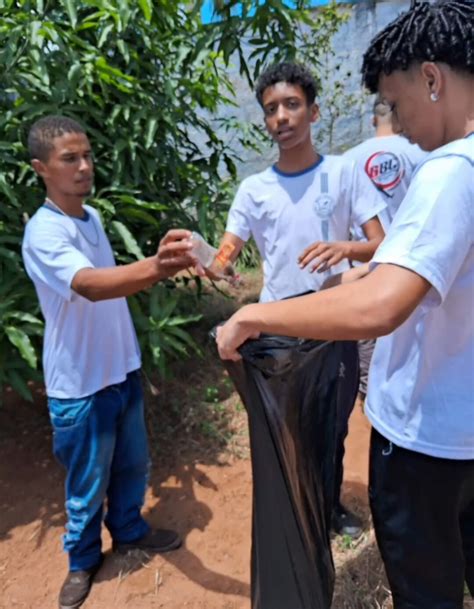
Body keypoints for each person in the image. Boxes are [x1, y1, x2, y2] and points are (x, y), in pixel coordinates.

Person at [216, 1, 474, 607]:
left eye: (396, 99)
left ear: (431, 80)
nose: (397, 121)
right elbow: (396, 272)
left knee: (427, 589)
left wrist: (253, 315)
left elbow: (383, 303)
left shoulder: (448, 171)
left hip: (426, 438)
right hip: (460, 426)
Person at [22, 116, 200, 609]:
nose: (84, 167)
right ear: (41, 168)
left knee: (132, 465)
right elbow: (90, 285)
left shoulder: (91, 218)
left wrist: (150, 267)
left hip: (119, 370)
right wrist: (158, 267)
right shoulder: (43, 232)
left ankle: (128, 530)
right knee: (85, 484)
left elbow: (110, 277)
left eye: (87, 156)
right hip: (80, 385)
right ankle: (81, 563)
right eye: (69, 159)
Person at [212, 62, 387, 538]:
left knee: (333, 423)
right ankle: (298, 511)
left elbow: (383, 243)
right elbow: (226, 258)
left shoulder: (344, 173)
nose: (281, 118)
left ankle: (328, 507)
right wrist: (203, 256)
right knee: (288, 427)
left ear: (313, 111)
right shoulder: (254, 191)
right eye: (271, 110)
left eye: (291, 105)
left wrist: (345, 249)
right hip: (278, 330)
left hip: (333, 324)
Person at [344, 97, 427, 400]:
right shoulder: (422, 154)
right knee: (414, 359)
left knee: (368, 366)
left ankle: (373, 415)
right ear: (399, 116)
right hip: (415, 275)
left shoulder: (349, 161)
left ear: (371, 121)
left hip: (368, 277)